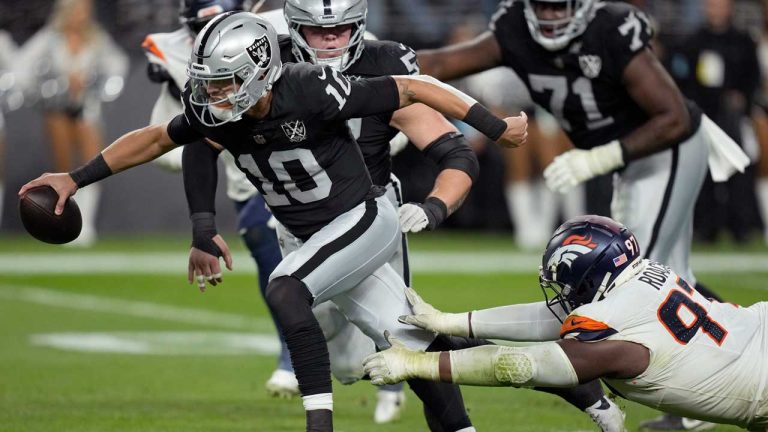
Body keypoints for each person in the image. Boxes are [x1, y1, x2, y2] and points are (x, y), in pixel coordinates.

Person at [19, 13, 527, 432]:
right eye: (209, 84)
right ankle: (547, 382)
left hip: (362, 218)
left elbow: (414, 87)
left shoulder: (311, 88)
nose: (215, 95)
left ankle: (318, 425)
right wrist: (74, 178)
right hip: (305, 234)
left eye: (225, 83)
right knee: (414, 345)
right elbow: (157, 140)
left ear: (261, 71)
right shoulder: (221, 108)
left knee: (284, 289)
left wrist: (495, 126)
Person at [417, 0, 748, 300]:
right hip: (631, 159)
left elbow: (675, 117)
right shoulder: (515, 27)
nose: (550, 16)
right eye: (542, 7)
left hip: (669, 147)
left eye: (559, 6)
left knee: (636, 273)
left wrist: (600, 158)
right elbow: (442, 63)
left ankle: (717, 342)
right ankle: (738, 333)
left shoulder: (609, 28)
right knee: (670, 275)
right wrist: (382, 65)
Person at [363, 215, 768, 432]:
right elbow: (547, 317)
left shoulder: (616, 330)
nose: (562, 294)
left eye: (567, 283)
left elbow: (519, 366)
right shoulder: (637, 280)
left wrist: (416, 364)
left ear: (593, 278)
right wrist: (449, 320)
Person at [141, 0, 298, 399]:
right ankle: (292, 352)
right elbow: (168, 143)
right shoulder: (174, 52)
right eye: (200, 30)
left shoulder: (286, 26)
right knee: (267, 250)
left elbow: (354, 46)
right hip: (247, 170)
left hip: (307, 155)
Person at [15, 0, 128, 246]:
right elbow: (21, 69)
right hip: (56, 107)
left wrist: (95, 87)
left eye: (86, 11)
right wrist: (50, 89)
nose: (82, 16)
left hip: (87, 107)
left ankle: (86, 225)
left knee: (92, 163)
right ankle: (64, 223)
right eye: (78, 11)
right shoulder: (49, 39)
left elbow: (118, 66)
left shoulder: (97, 39)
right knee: (63, 165)